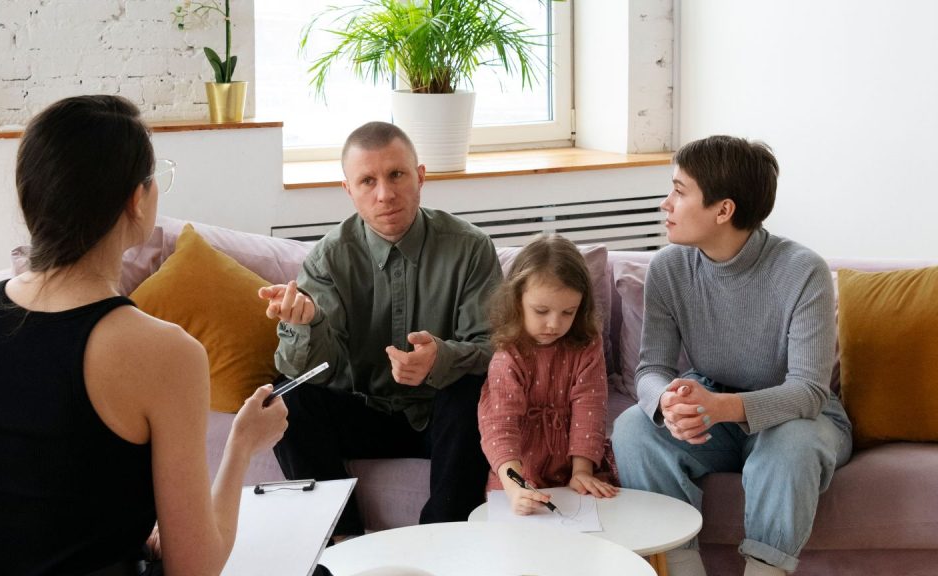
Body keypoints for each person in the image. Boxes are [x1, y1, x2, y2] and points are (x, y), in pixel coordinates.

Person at [0, 95, 289, 576]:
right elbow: (195, 568)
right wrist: (242, 446)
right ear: (137, 199)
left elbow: (28, 508)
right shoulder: (165, 352)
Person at [610, 135, 852, 576]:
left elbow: (809, 390)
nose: (666, 203)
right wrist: (665, 401)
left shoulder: (802, 271)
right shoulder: (668, 267)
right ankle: (680, 566)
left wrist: (724, 408)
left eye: (680, 192)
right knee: (632, 428)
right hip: (713, 406)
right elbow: (652, 369)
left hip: (798, 417)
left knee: (790, 445)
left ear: (723, 210)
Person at [258, 121, 503, 536]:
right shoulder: (329, 258)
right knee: (287, 396)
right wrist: (306, 324)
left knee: (472, 392)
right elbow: (315, 370)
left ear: (420, 176)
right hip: (364, 412)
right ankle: (342, 538)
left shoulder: (470, 247)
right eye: (367, 181)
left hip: (440, 417)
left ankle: (443, 540)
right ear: (348, 190)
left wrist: (439, 359)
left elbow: (495, 350)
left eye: (396, 175)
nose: (385, 194)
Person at [478, 235, 618, 516]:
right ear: (517, 300)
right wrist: (516, 486)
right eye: (541, 311)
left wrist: (581, 471)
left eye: (568, 312)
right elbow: (499, 428)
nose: (554, 324)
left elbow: (589, 410)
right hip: (519, 473)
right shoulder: (508, 355)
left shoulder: (587, 344)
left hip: (576, 465)